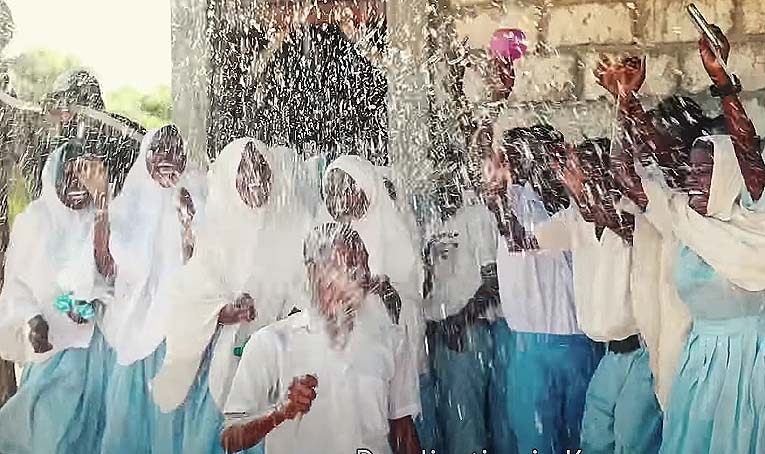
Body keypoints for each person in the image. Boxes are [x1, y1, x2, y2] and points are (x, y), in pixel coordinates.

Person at [151, 138, 312, 454]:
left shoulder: (295, 223)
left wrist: (285, 320)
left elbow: (309, 287)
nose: (255, 179)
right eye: (245, 171)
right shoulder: (214, 232)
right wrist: (226, 311)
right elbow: (189, 296)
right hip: (223, 362)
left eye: (261, 169)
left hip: (280, 365)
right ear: (229, 178)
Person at [221, 222, 422, 454]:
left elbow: (403, 430)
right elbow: (230, 438)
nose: (364, 276)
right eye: (349, 266)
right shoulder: (271, 343)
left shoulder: (391, 340)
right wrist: (280, 413)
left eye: (364, 264)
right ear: (315, 273)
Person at [535, 138, 663, 453]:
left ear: (602, 173)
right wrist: (496, 197)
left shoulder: (634, 214)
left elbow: (611, 219)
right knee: (595, 442)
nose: (572, 175)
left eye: (581, 169)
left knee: (633, 443)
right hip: (610, 357)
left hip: (642, 354)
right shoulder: (575, 217)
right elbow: (522, 240)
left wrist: (581, 191)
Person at [483, 125, 602, 454]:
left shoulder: (583, 206)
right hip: (533, 350)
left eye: (550, 156)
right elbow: (512, 230)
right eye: (532, 158)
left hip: (584, 344)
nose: (545, 164)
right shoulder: (515, 201)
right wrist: (492, 105)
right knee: (538, 442)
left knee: (585, 441)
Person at [0, 141, 114, 453]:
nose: (77, 186)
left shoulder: (102, 220)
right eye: (69, 177)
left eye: (83, 178)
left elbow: (112, 275)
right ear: (52, 178)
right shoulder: (34, 222)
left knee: (92, 434)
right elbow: (17, 285)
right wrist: (33, 320)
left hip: (97, 352)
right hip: (53, 350)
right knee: (48, 434)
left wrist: (91, 301)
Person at [99, 125, 205, 454]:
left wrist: (189, 224)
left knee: (170, 421)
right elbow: (112, 264)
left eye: (175, 151)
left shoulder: (199, 194)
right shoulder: (128, 202)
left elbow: (203, 263)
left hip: (175, 328)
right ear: (146, 156)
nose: (166, 159)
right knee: (129, 424)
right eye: (159, 151)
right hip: (136, 327)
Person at [422, 176, 499, 454]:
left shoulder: (477, 216)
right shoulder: (431, 220)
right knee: (443, 422)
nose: (441, 185)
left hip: (466, 333)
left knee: (466, 422)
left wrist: (461, 321)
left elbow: (492, 282)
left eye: (448, 177)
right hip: (437, 333)